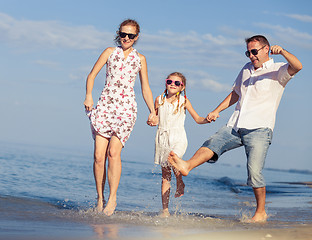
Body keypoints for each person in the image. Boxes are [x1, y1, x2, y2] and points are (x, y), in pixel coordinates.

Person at [168, 35, 302, 222]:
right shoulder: (246, 69)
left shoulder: (277, 69)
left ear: (266, 49)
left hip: (260, 129)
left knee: (254, 171)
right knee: (213, 142)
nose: (251, 56)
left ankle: (260, 212)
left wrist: (284, 52)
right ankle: (187, 165)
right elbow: (235, 94)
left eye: (254, 52)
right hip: (236, 124)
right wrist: (216, 110)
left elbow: (298, 66)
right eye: (248, 52)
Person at [83, 19, 156, 216]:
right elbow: (91, 76)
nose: (126, 38)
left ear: (136, 37)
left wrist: (152, 111)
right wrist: (89, 95)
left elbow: (145, 88)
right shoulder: (109, 52)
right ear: (119, 34)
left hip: (126, 110)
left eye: (131, 36)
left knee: (113, 153)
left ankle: (113, 198)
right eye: (123, 34)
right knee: (99, 156)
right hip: (105, 106)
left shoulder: (140, 59)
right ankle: (100, 198)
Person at [153, 72, 209, 217]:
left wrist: (207, 119)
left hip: (178, 137)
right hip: (163, 138)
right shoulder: (159, 100)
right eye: (169, 81)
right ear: (165, 83)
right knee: (165, 175)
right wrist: (151, 120)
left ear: (182, 87)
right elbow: (156, 119)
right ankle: (165, 210)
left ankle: (179, 181)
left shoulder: (184, 101)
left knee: (173, 158)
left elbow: (197, 118)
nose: (173, 84)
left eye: (177, 83)